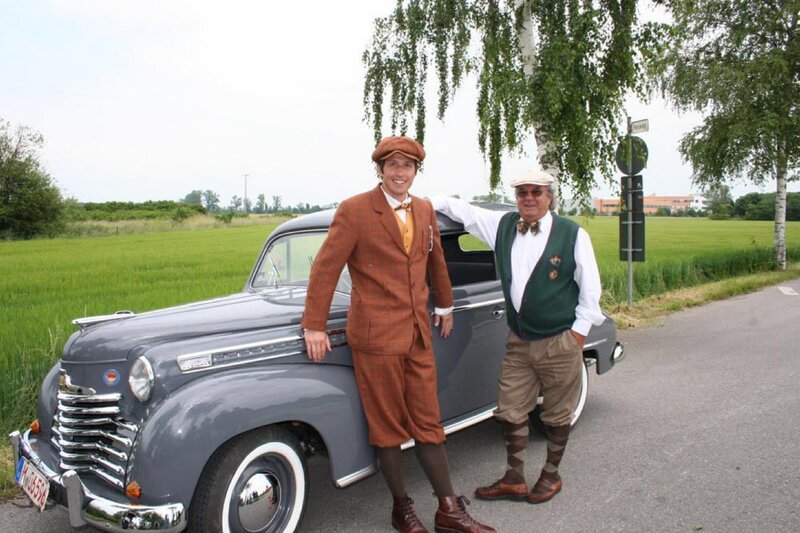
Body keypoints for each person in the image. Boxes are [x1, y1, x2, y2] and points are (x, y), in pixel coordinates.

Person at [302, 136, 494, 533]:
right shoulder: (354, 210)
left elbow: (435, 260)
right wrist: (314, 324)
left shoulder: (423, 209)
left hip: (418, 335)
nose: (400, 173)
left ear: (416, 171)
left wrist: (445, 305)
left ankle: (448, 510)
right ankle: (401, 508)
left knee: (429, 423)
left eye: (407, 166)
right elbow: (325, 267)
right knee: (387, 426)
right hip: (375, 340)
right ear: (380, 169)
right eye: (392, 165)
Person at [430, 169, 605, 505]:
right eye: (522, 192)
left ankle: (551, 474)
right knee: (509, 408)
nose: (528, 198)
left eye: (536, 192)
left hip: (560, 339)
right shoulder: (504, 225)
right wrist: (426, 202)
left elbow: (590, 290)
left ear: (549, 197)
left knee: (556, 413)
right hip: (519, 340)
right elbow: (465, 212)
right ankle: (514, 478)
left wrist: (577, 337)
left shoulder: (572, 234)